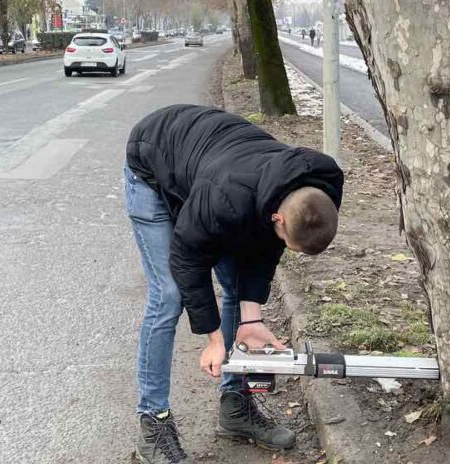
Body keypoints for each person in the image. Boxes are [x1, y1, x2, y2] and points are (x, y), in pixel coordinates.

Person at [125, 105, 344, 463]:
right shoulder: (225, 198)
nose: (284, 248)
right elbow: (188, 256)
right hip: (152, 158)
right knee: (168, 296)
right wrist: (213, 339)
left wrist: (251, 320)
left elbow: (263, 249)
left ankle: (235, 408)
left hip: (213, 163)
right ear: (277, 217)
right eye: (288, 242)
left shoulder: (314, 188)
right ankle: (153, 423)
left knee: (235, 286)